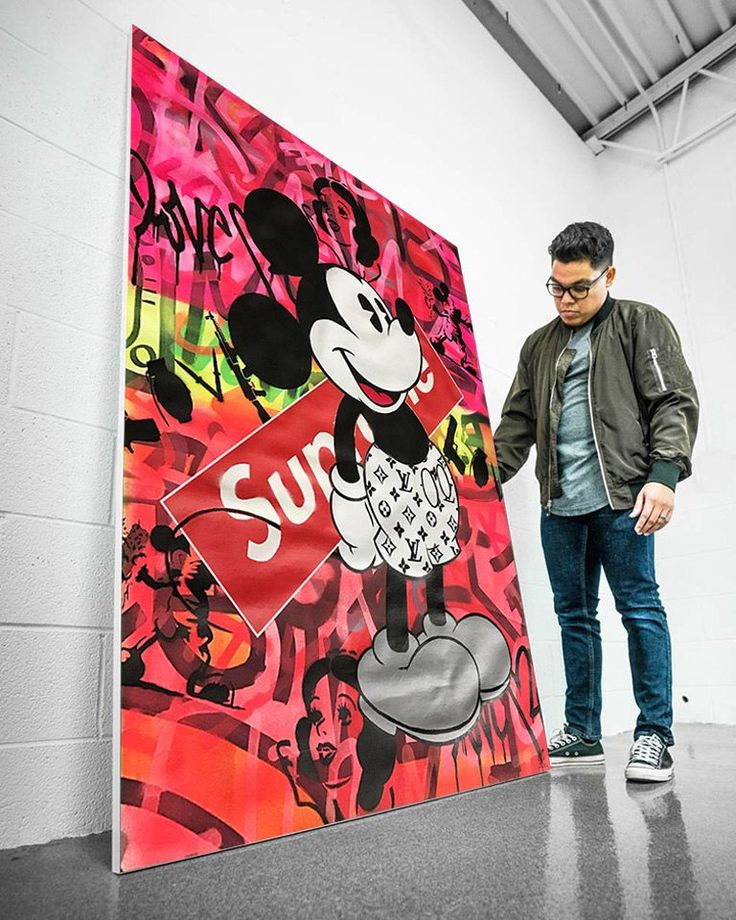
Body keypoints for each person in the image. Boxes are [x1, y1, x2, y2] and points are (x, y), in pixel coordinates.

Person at [493, 221, 699, 782]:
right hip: (560, 506)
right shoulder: (539, 344)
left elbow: (673, 401)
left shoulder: (641, 324)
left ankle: (654, 734)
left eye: (579, 287)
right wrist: (481, 477)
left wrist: (664, 476)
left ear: (608, 275)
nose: (565, 299)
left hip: (625, 500)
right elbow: (516, 422)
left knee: (640, 611)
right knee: (573, 618)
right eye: (556, 287)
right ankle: (582, 733)